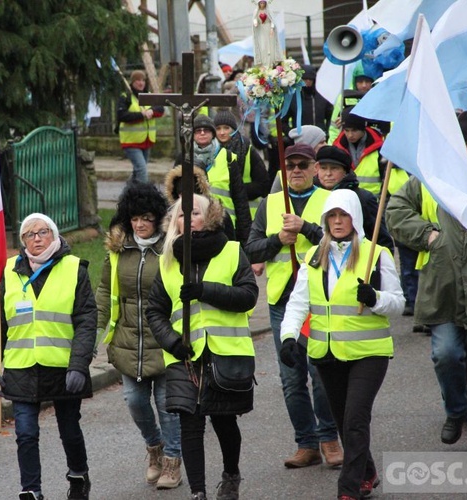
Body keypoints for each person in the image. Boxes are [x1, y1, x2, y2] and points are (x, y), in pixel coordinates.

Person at [386, 111, 467, 452]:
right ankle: (456, 411)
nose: (464, 151)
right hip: (442, 285)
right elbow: (396, 211)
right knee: (445, 354)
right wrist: (429, 236)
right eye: (458, 143)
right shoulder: (428, 179)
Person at [280, 189, 404, 500]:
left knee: (355, 420)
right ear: (324, 221)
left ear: (355, 219)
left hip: (368, 352)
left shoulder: (377, 254)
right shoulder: (313, 256)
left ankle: (348, 490)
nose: (337, 221)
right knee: (343, 420)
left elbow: (398, 303)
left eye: (343, 215)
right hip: (327, 353)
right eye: (332, 216)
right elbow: (298, 302)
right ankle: (367, 471)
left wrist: (375, 299)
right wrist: (288, 337)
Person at [146, 193, 258, 500]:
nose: (187, 218)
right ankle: (198, 492)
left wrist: (205, 290)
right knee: (189, 424)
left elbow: (248, 296)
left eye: (193, 212)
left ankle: (231, 475)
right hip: (185, 357)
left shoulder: (232, 251)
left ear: (207, 217)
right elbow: (154, 310)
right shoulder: (168, 259)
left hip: (226, 353)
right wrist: (171, 341)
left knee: (223, 421)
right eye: (181, 214)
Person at [0, 213, 96, 500]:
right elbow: (0, 324)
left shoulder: (74, 269)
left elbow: (86, 320)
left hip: (63, 368)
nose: (36, 238)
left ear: (53, 234)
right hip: (21, 368)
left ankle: (78, 475)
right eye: (29, 234)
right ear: (22, 241)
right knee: (26, 433)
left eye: (42, 232)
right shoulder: (8, 271)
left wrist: (79, 365)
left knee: (69, 429)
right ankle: (31, 489)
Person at [245, 143, 343, 469]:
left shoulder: (330, 201)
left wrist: (307, 229)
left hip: (317, 299)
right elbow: (252, 249)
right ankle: (306, 442)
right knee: (291, 376)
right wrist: (277, 241)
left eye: (303, 165)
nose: (297, 171)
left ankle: (329, 437)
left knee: (320, 372)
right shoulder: (271, 203)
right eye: (291, 166)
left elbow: (340, 244)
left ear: (315, 168)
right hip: (281, 301)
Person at [95, 182, 183, 490]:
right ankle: (154, 448)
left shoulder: (172, 248)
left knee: (167, 404)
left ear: (157, 218)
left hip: (166, 339)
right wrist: (94, 330)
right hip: (128, 341)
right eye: (134, 218)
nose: (140, 224)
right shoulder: (119, 250)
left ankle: (173, 461)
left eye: (146, 217)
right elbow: (105, 291)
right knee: (134, 400)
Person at [175, 114, 252, 244]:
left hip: (225, 226)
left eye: (207, 130)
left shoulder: (228, 158)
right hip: (192, 226)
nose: (202, 133)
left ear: (213, 133)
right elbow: (174, 195)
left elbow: (240, 199)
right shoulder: (183, 158)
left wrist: (245, 236)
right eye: (198, 131)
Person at [314, 146, 393, 250]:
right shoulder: (313, 195)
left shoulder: (363, 198)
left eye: (334, 168)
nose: (328, 174)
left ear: (345, 172)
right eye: (323, 168)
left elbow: (382, 239)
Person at [214, 110, 270, 219]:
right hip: (219, 213)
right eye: (218, 128)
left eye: (226, 128)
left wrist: (237, 191)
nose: (222, 132)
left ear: (234, 129)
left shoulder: (246, 149)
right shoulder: (209, 152)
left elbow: (263, 184)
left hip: (248, 214)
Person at [117, 70, 165, 183]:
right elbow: (122, 115)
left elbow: (160, 109)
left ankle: (126, 196)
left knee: (137, 171)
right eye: (138, 80)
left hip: (146, 141)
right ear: (132, 82)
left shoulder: (148, 96)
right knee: (142, 171)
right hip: (131, 141)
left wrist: (152, 111)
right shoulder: (126, 97)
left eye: (143, 80)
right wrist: (141, 115)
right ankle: (143, 197)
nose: (141, 83)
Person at [332, 107, 384, 197]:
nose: (350, 135)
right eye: (346, 130)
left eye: (354, 130)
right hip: (345, 202)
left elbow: (387, 180)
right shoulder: (336, 147)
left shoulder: (380, 148)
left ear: (363, 128)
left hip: (373, 204)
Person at [285, 65, 334, 133]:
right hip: (300, 139)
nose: (308, 81)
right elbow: (283, 121)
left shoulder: (323, 97)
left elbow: (331, 117)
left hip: (320, 138)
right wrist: (292, 134)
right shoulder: (293, 98)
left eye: (310, 79)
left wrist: (327, 133)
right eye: (305, 79)